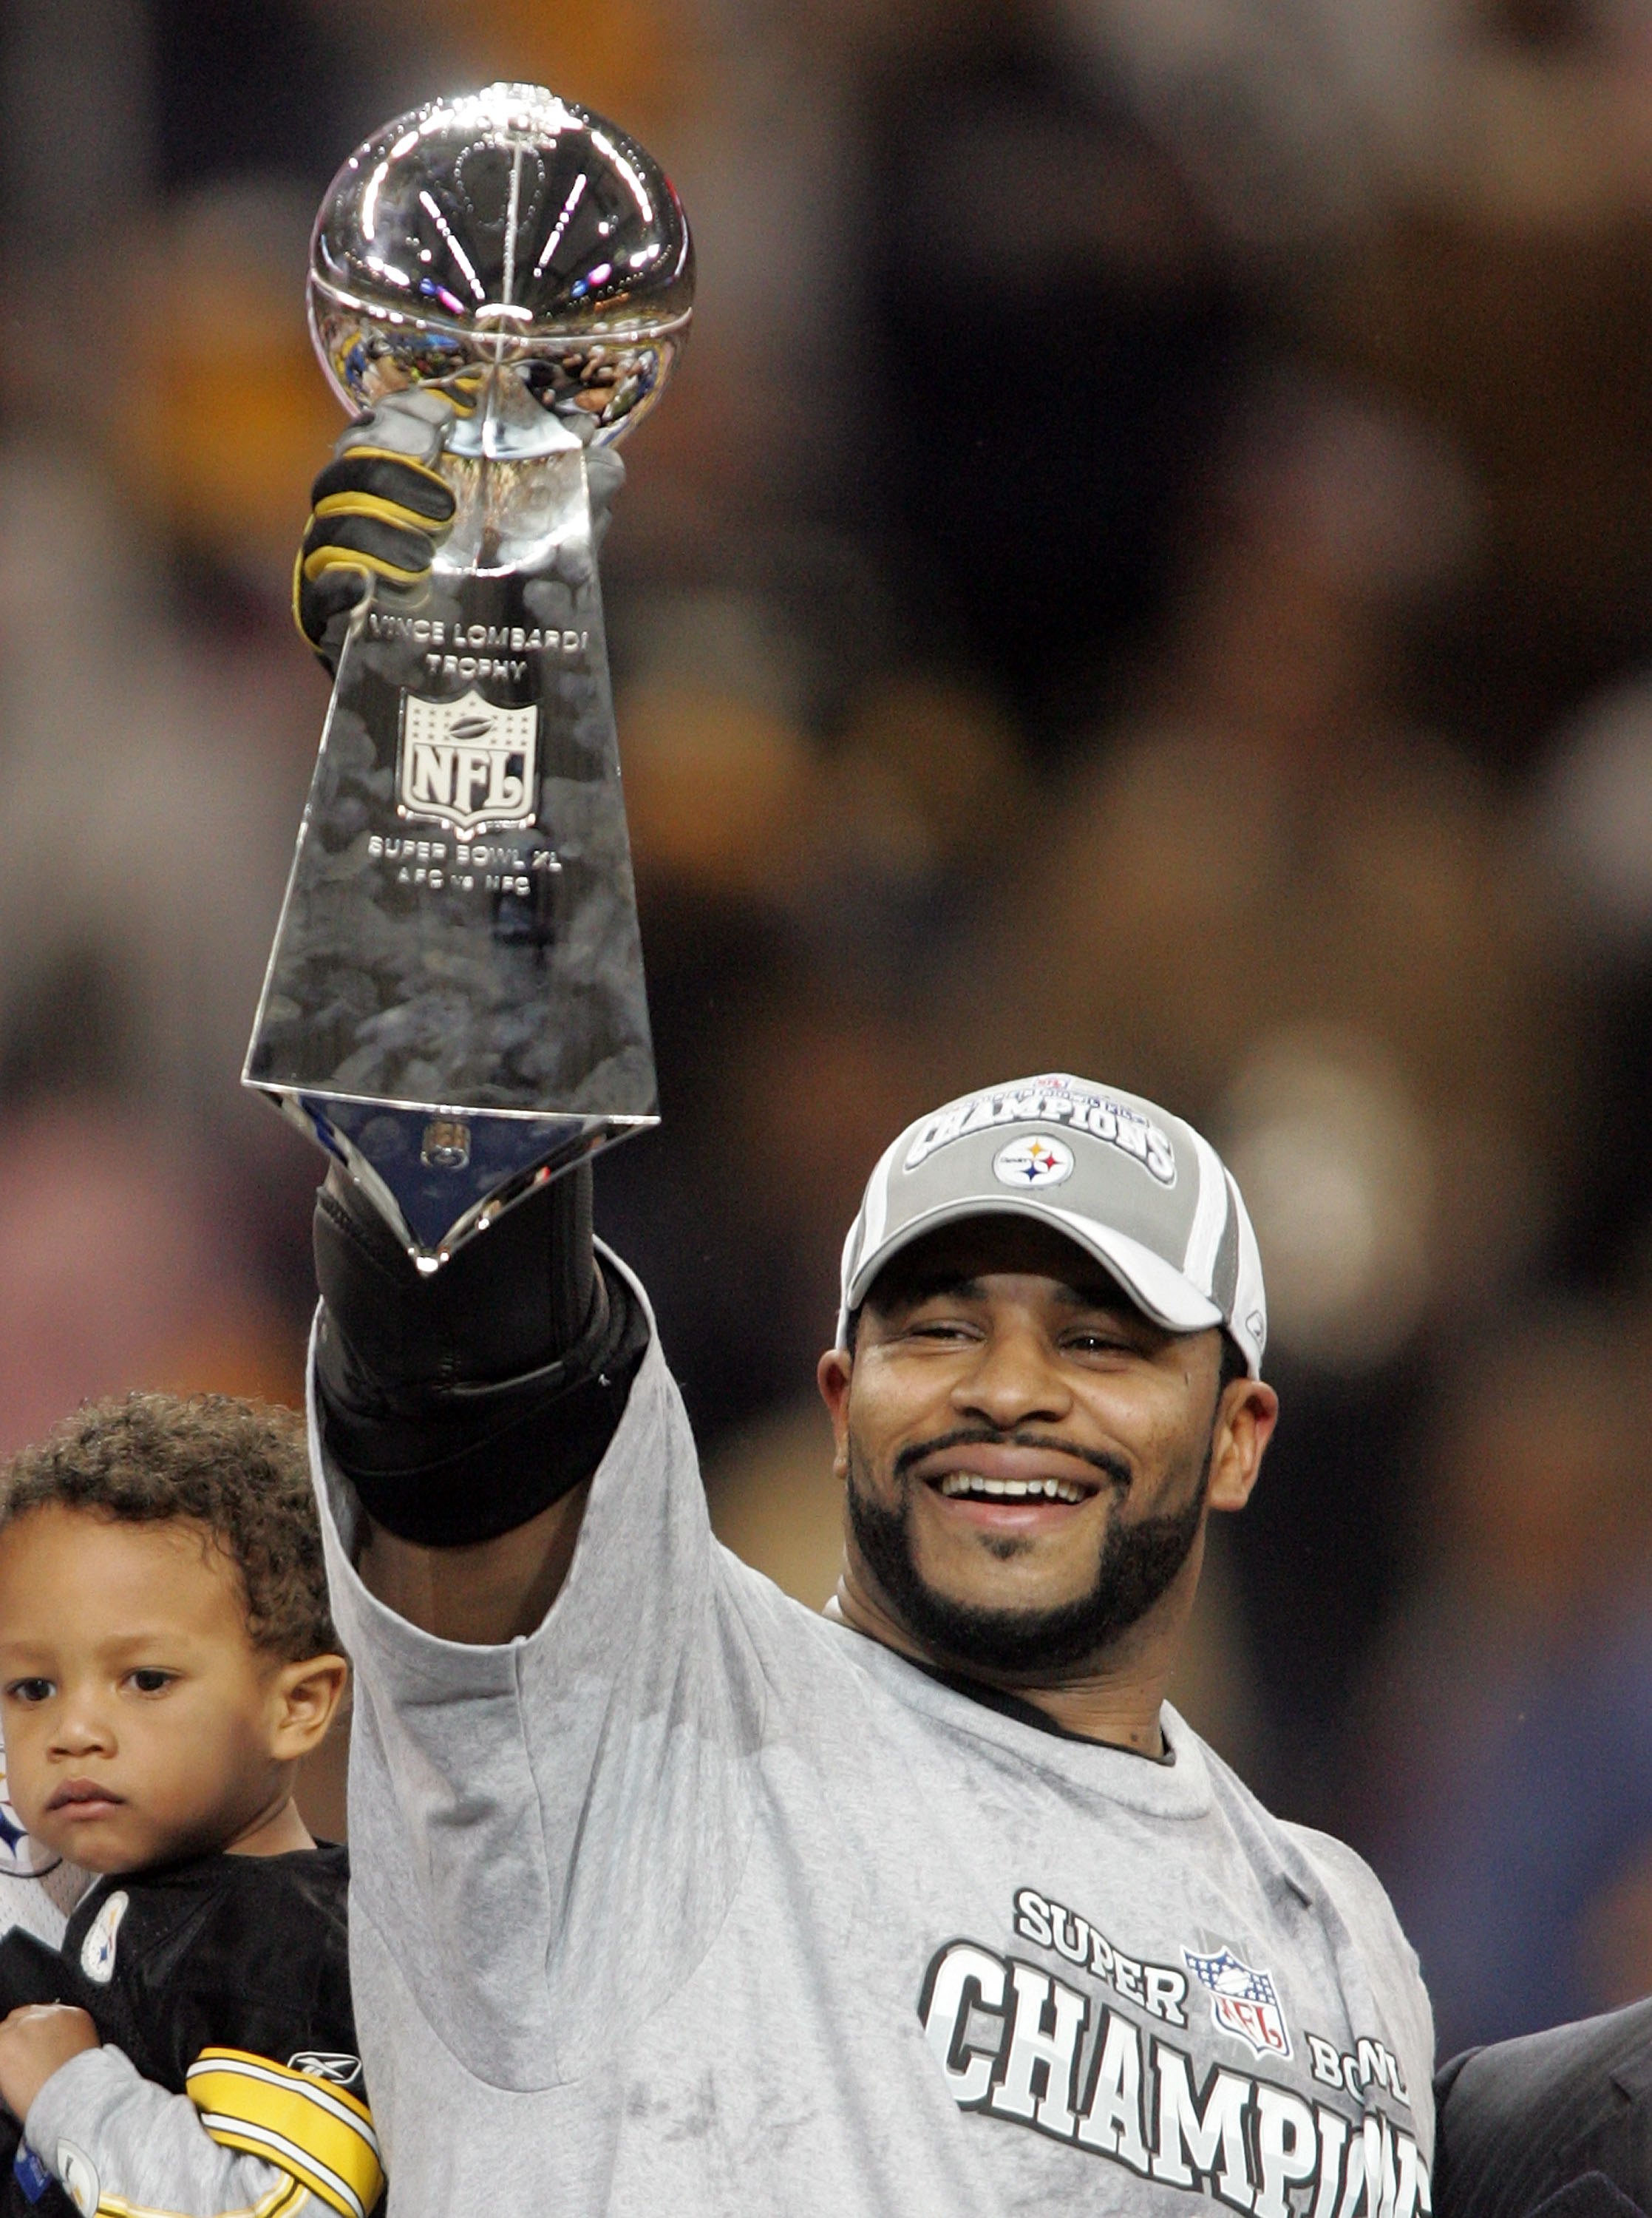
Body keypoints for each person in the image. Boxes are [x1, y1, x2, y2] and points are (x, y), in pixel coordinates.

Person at [293, 398, 1436, 2213]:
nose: (1007, 1386)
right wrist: (453, 766)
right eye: (935, 1324)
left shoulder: (1335, 1924)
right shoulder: (648, 1714)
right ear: (837, 1398)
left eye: (1101, 1335)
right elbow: (464, 1333)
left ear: (1238, 1433)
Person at [0, 1392, 384, 2218]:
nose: (72, 1732)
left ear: (298, 1705)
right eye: (32, 1687)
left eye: (145, 1681)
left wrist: (71, 2091)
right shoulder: (146, 1901)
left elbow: (287, 2204)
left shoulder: (294, 1947)